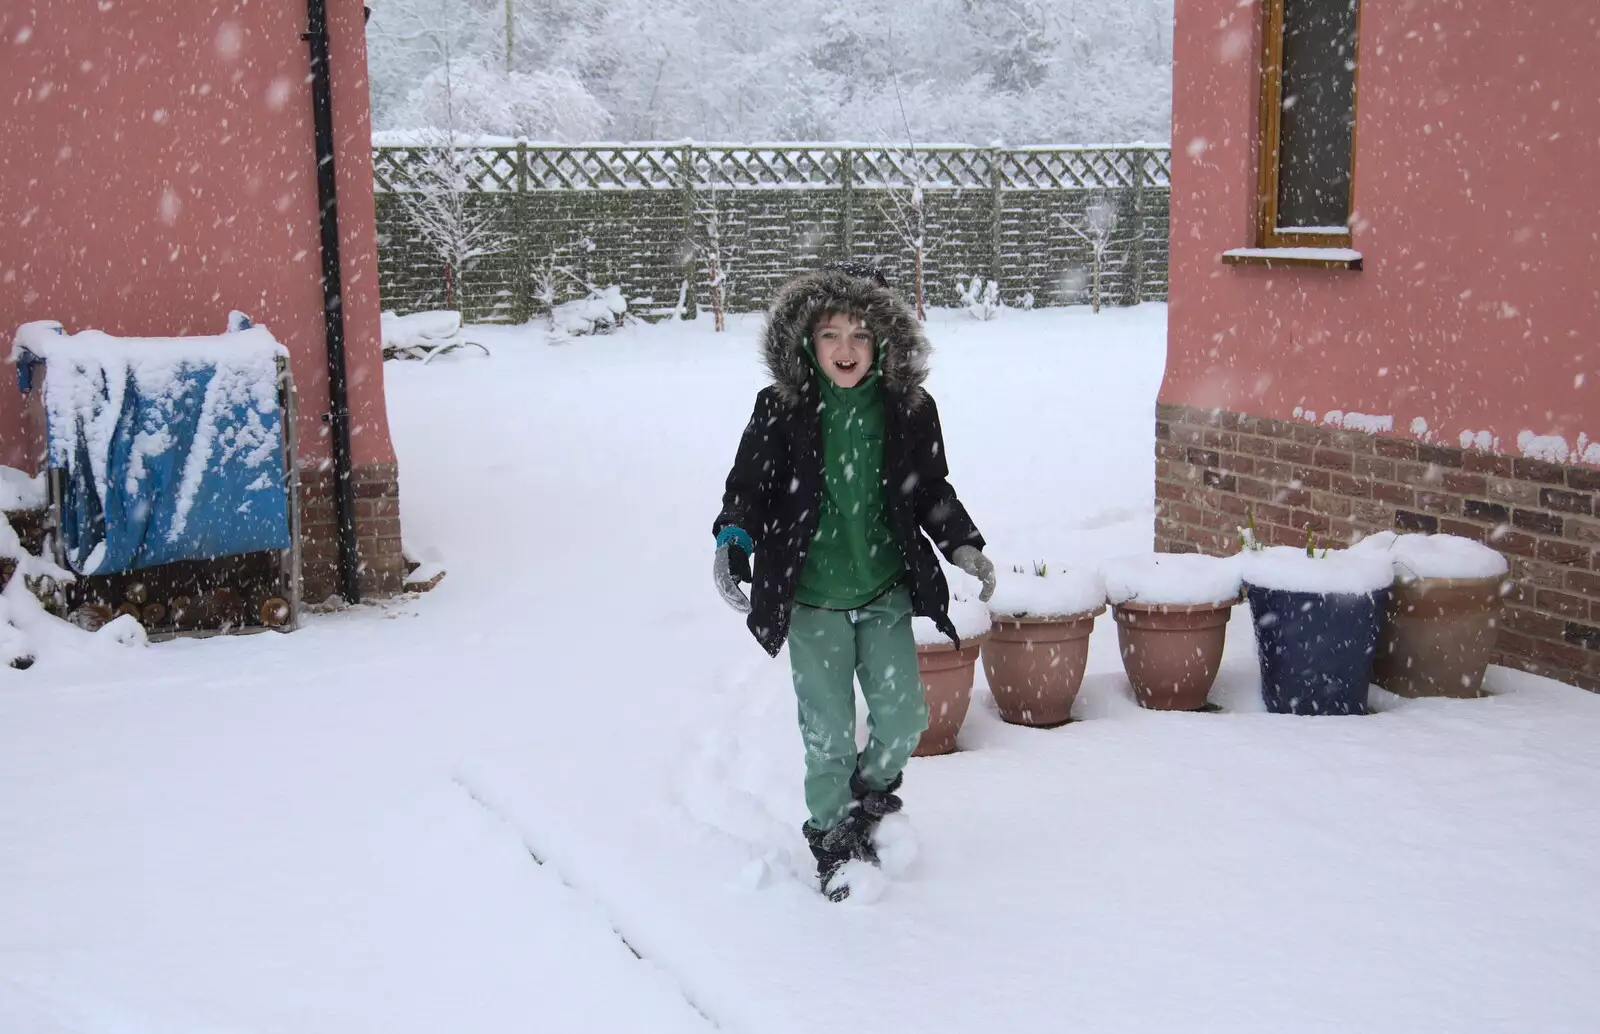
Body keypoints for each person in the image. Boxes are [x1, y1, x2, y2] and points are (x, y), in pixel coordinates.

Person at [711, 262, 995, 901]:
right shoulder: (781, 407)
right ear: (807, 343)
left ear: (885, 342)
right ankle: (834, 840)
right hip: (812, 597)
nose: (845, 349)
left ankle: (869, 801)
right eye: (830, 334)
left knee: (904, 720)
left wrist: (964, 545)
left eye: (861, 335)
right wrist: (734, 539)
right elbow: (748, 489)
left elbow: (930, 490)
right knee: (829, 734)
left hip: (883, 588)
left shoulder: (908, 409)